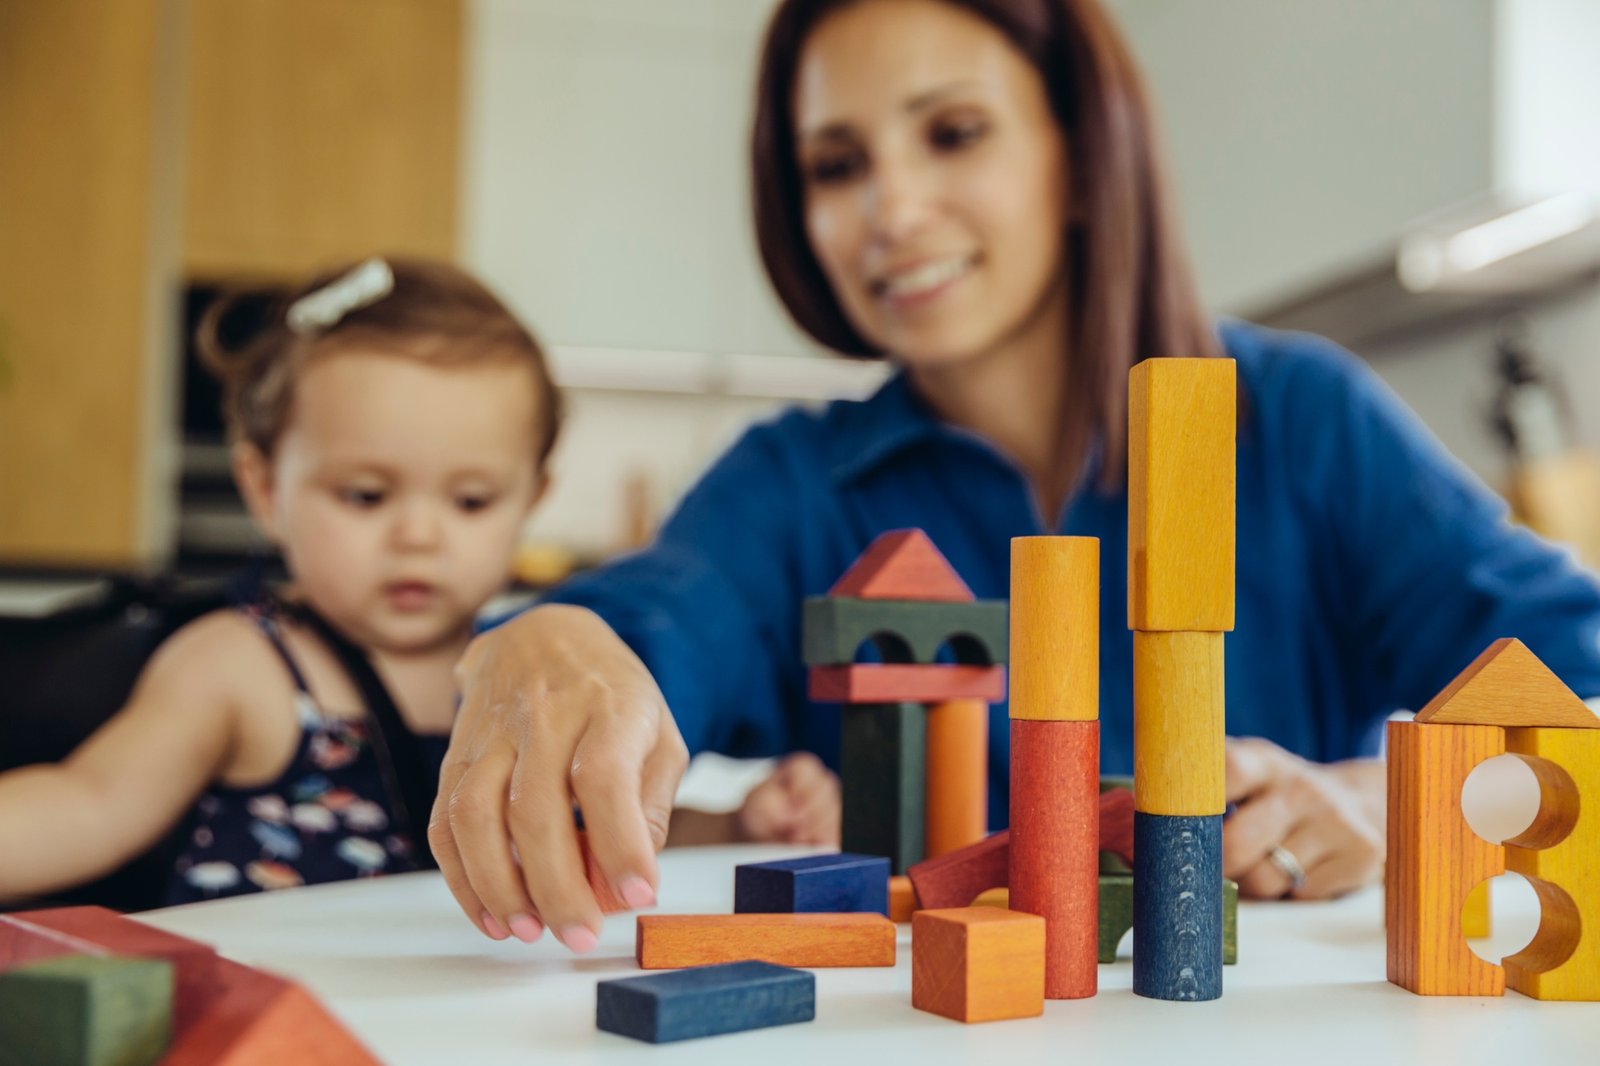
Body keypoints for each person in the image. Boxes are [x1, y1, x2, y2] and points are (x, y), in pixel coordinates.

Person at [430, 0, 1600, 953]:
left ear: (1081, 157)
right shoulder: (790, 484)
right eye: (836, 164)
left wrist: (1379, 804)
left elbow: (1576, 696)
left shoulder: (1293, 417)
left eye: (951, 134)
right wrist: (555, 637)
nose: (890, 209)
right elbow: (646, 633)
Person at [0, 256, 833, 920]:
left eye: (470, 500)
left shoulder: (516, 677)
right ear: (263, 487)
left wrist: (730, 828)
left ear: (531, 500)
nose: (419, 534)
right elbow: (88, 805)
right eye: (365, 495)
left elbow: (578, 829)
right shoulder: (240, 667)